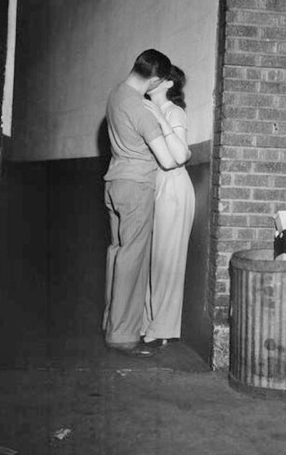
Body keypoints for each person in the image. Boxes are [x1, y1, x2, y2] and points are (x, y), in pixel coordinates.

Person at [103, 49, 187, 358]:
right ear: (155, 79)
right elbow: (168, 160)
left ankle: (110, 324)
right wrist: (160, 120)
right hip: (136, 187)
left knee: (116, 253)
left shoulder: (115, 95)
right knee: (133, 262)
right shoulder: (141, 109)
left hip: (113, 183)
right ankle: (123, 336)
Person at [140, 65, 195, 348]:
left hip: (173, 187)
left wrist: (159, 116)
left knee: (167, 261)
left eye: (157, 77)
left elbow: (177, 156)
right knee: (154, 259)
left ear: (169, 82)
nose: (149, 81)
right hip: (155, 186)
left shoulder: (174, 112)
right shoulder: (145, 108)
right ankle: (149, 321)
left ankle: (161, 328)